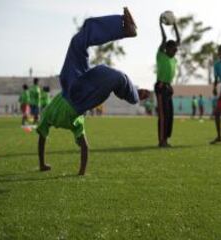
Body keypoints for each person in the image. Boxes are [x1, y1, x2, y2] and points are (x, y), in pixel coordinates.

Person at [36, 8, 149, 175]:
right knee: (113, 76)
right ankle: (134, 94)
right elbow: (84, 147)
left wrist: (42, 164)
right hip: (81, 97)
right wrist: (81, 171)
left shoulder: (47, 115)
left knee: (79, 39)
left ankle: (124, 28)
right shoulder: (77, 122)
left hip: (71, 84)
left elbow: (42, 139)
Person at [155, 13, 180, 148]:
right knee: (163, 115)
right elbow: (164, 38)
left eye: (176, 48)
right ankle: (161, 141)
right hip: (160, 86)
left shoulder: (173, 58)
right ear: (167, 49)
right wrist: (160, 25)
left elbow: (178, 39)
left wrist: (175, 24)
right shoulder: (161, 55)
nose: (176, 50)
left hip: (168, 87)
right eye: (174, 48)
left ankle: (166, 139)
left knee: (170, 115)